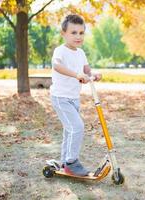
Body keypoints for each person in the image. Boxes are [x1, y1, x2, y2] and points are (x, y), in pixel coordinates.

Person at [50, 14, 102, 176]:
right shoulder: (60, 51)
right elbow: (57, 66)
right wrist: (75, 75)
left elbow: (87, 70)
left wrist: (94, 74)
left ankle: (65, 160)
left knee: (69, 130)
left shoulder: (80, 53)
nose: (78, 36)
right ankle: (72, 162)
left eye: (81, 33)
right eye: (73, 32)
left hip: (74, 98)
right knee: (77, 127)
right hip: (60, 97)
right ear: (63, 33)